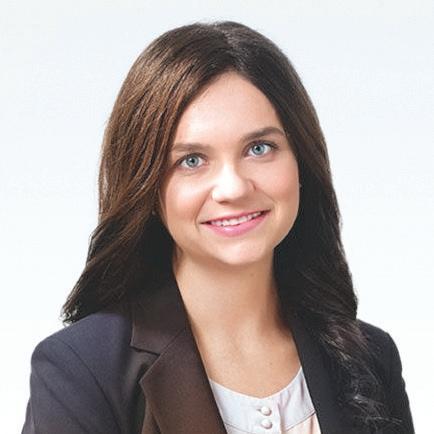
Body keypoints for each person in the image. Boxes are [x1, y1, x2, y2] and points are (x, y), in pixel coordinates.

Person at [21, 21, 414, 434]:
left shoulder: (370, 358)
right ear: (147, 186)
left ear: (301, 162)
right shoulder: (81, 370)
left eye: (259, 148)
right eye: (191, 160)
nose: (233, 188)